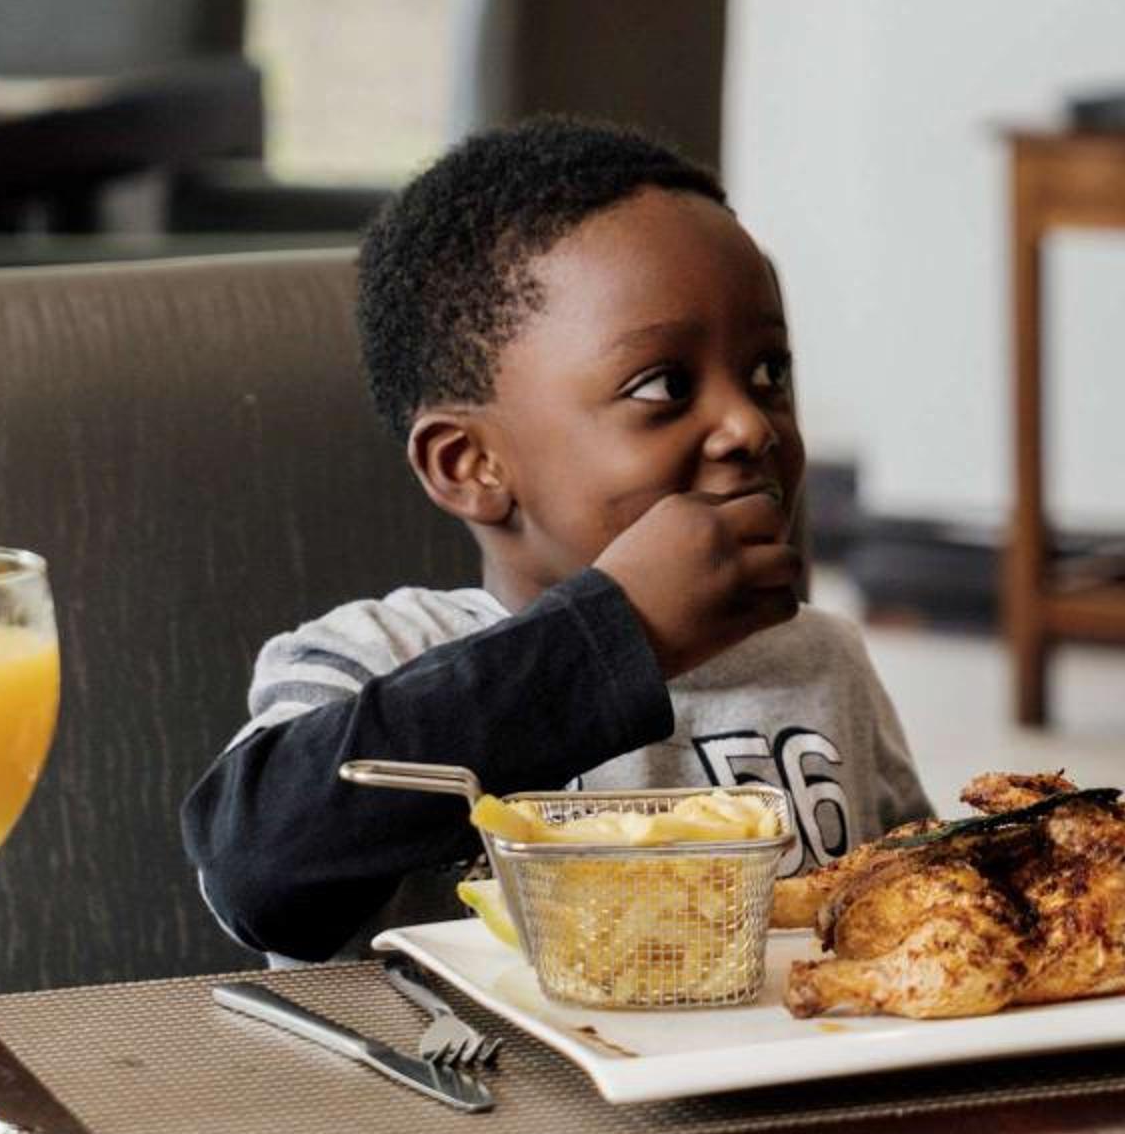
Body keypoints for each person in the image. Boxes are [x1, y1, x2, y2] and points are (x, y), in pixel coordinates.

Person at [182, 117, 930, 960]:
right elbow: (252, 866)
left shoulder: (822, 660)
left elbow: (924, 907)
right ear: (471, 464)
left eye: (768, 372)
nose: (749, 425)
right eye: (663, 386)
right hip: (459, 1053)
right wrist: (617, 636)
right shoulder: (379, 656)